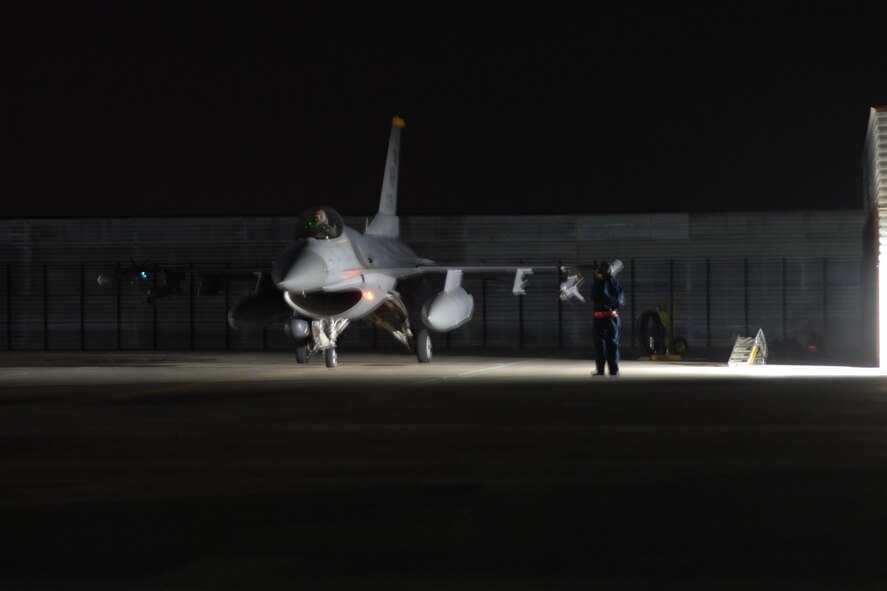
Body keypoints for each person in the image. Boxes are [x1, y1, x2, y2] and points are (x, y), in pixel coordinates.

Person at [591, 261, 624, 376]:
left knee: (600, 345)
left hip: (600, 317)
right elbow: (620, 300)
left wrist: (598, 280)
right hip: (613, 318)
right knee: (613, 344)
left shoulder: (598, 284)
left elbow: (593, 296)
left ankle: (600, 370)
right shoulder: (616, 283)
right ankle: (614, 370)